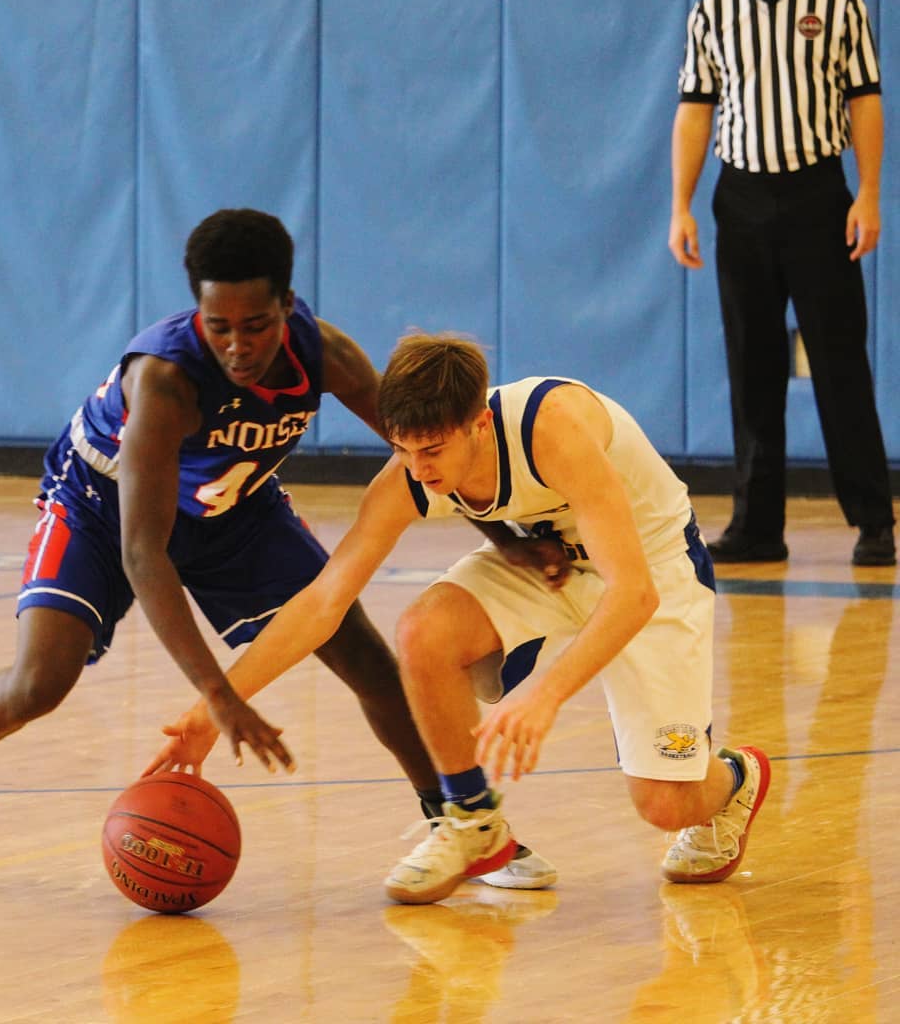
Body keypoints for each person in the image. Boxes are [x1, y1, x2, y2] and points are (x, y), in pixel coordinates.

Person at [0, 209, 554, 891]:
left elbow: (416, 448)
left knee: (368, 658)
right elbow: (143, 553)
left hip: (236, 511)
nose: (238, 346)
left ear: (287, 305)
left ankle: (463, 824)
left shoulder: (326, 355)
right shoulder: (165, 382)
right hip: (102, 506)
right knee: (42, 679)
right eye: (219, 327)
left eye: (256, 326)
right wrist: (218, 695)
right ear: (197, 313)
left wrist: (504, 533)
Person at [146, 332, 771, 905]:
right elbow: (322, 601)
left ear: (477, 423)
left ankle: (734, 778)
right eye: (402, 448)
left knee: (666, 805)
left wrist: (546, 697)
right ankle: (471, 822)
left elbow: (633, 594)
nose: (419, 468)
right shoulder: (411, 471)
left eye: (432, 449)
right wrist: (215, 704)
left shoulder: (551, 429)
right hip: (547, 564)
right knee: (423, 631)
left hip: (652, 567)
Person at [668, 0, 894, 567]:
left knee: (839, 361)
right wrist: (680, 205)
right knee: (752, 365)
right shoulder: (712, 10)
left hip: (818, 194)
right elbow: (695, 109)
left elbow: (865, 98)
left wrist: (869, 193)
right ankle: (757, 525)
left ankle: (874, 521)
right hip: (739, 199)